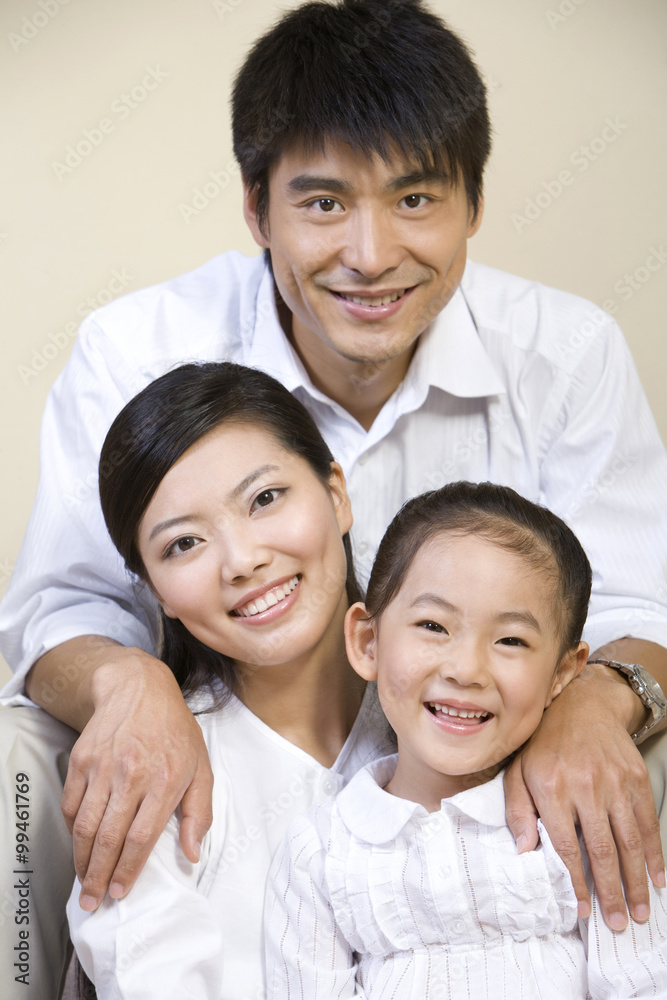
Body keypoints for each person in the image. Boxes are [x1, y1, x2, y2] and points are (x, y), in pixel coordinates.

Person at [0, 1, 666, 994]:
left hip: (482, 754)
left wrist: (597, 703)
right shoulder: (135, 348)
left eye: (414, 199)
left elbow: (641, 605)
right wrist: (127, 684)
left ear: (473, 204)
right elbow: (62, 607)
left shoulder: (566, 353)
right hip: (228, 741)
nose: (367, 252)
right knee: (20, 753)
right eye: (321, 204)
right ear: (255, 206)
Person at [68, 360, 396, 999]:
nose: (243, 560)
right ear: (154, 592)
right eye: (184, 544)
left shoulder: (463, 717)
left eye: (265, 499)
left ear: (336, 494)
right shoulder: (148, 777)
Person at [265, 482, 667, 999]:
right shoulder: (320, 853)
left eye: (511, 640)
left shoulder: (582, 817)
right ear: (369, 642)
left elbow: (645, 982)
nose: (466, 669)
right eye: (433, 625)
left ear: (563, 674)